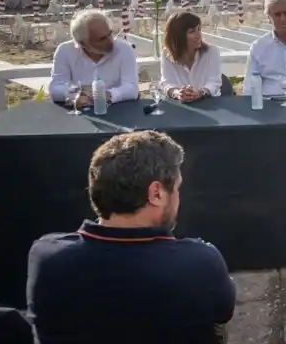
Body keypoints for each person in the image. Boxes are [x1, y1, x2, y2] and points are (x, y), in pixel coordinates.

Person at [26, 131, 236, 344]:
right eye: (177, 188)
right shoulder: (201, 262)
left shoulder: (46, 255)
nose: (178, 197)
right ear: (156, 193)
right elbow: (223, 310)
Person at [48, 9, 139, 106]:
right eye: (102, 39)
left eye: (110, 34)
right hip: (80, 110)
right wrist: (76, 95)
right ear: (83, 43)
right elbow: (55, 89)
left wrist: (106, 95)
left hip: (118, 108)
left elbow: (131, 89)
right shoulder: (65, 50)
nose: (110, 40)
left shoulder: (124, 49)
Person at [160, 10, 222, 101]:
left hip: (209, 103)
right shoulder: (167, 54)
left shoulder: (211, 51)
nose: (198, 35)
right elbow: (166, 83)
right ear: (179, 36)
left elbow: (214, 82)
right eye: (192, 32)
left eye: (199, 29)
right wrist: (177, 93)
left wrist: (200, 93)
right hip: (180, 105)